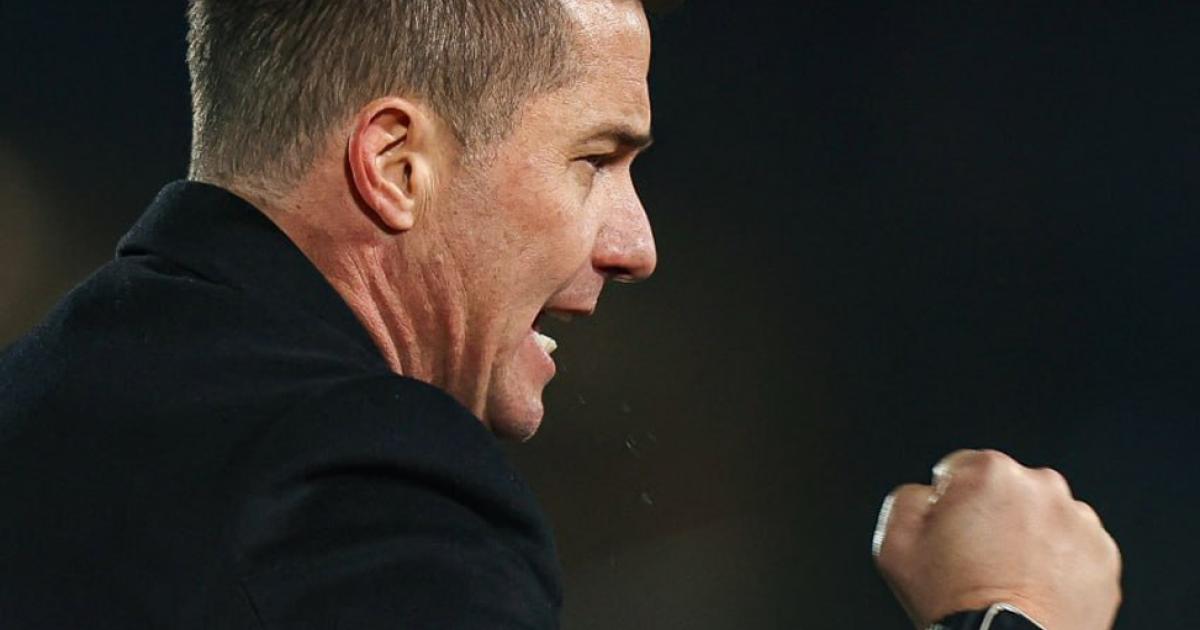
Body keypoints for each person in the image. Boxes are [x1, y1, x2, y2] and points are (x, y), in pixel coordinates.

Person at [0, 1, 1121, 628]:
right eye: (595, 159)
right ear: (396, 166)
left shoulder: (53, 396)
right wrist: (1007, 613)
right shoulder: (349, 480)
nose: (636, 245)